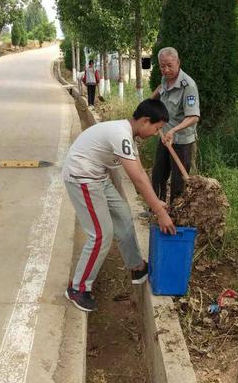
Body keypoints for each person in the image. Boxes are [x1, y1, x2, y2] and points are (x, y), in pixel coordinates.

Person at [62, 99, 176, 311]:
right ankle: (77, 288)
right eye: (157, 128)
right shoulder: (121, 135)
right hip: (82, 177)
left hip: (98, 177)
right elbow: (137, 179)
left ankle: (136, 267)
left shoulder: (128, 137)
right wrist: (160, 212)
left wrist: (156, 203)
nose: (155, 134)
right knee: (100, 234)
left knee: (123, 215)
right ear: (145, 121)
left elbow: (141, 172)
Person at [150, 47, 200, 205]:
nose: (166, 69)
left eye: (169, 65)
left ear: (178, 62)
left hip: (181, 141)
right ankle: (157, 210)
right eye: (162, 66)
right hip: (164, 137)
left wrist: (174, 130)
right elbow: (160, 89)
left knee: (179, 182)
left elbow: (193, 116)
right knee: (158, 175)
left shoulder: (188, 86)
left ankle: (175, 216)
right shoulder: (165, 79)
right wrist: (151, 101)